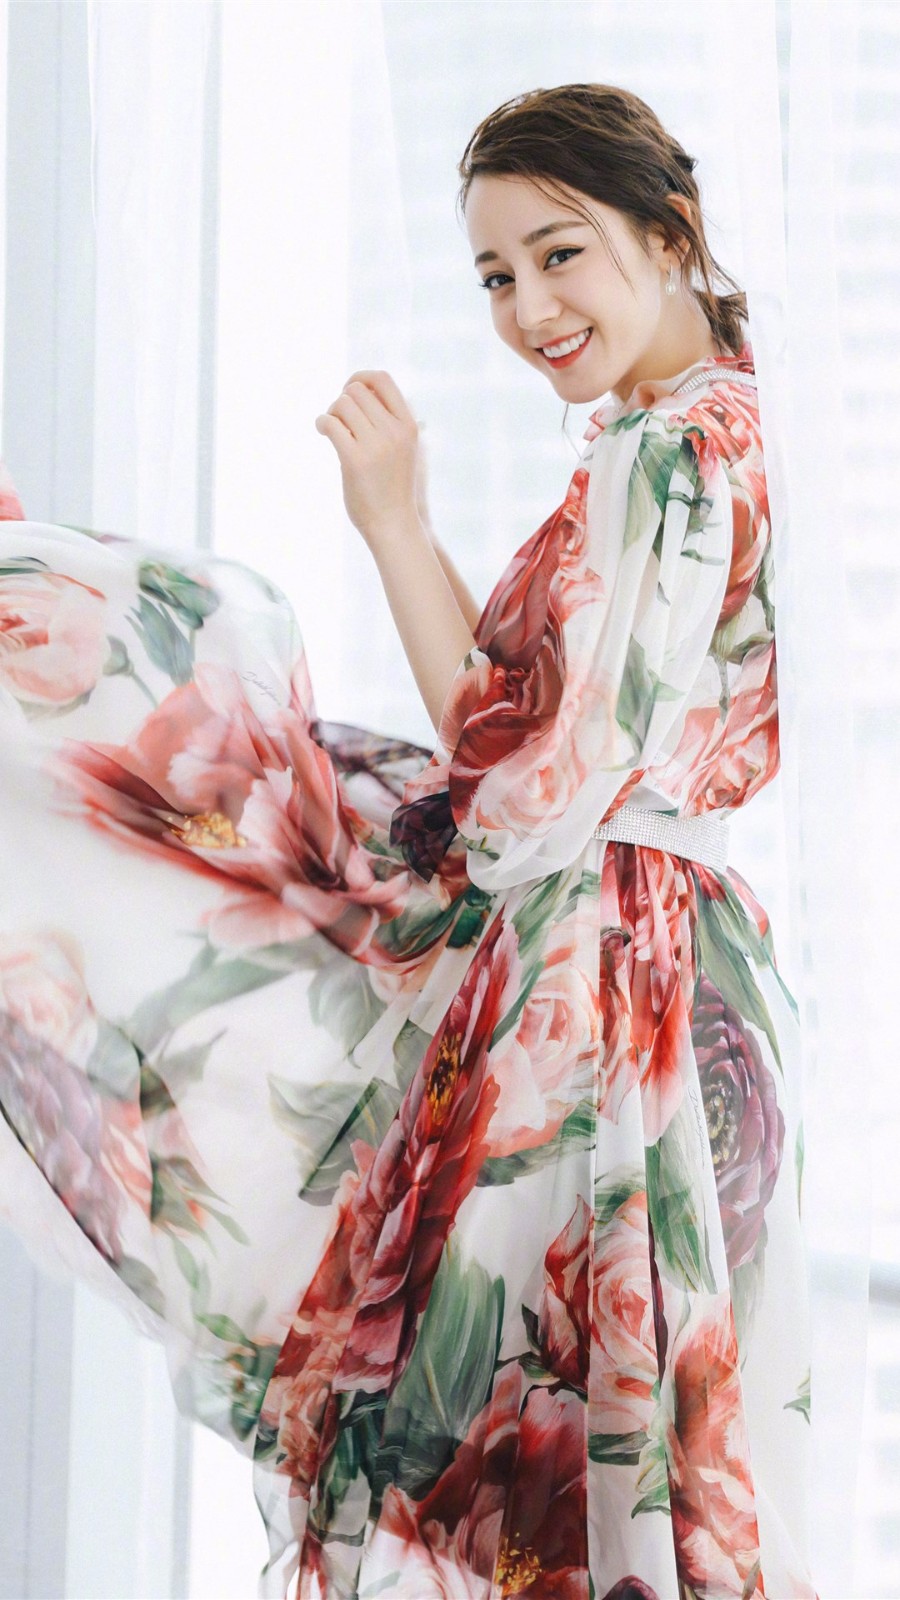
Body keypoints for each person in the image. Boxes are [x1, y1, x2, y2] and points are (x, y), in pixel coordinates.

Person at [0, 82, 817, 1600]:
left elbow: (521, 785)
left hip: (602, 985)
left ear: (670, 234)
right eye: (497, 276)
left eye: (560, 254)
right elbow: (546, 741)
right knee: (624, 1468)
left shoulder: (664, 457)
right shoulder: (742, 428)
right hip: (689, 965)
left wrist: (390, 518)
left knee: (496, 1480)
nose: (529, 310)